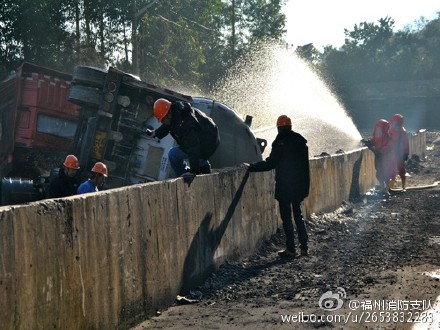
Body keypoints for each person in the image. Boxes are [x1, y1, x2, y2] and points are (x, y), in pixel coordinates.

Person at [245, 115, 310, 258]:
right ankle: (304, 247)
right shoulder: (300, 141)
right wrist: (305, 188)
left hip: (285, 186)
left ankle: (291, 249)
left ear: (279, 127)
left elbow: (271, 163)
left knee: (286, 217)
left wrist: (252, 167)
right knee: (298, 215)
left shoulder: (280, 142)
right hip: (299, 185)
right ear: (290, 126)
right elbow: (306, 167)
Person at [146, 98, 220, 182]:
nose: (162, 122)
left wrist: (193, 171)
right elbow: (168, 126)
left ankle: (186, 178)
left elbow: (193, 147)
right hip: (206, 138)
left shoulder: (185, 124)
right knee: (183, 151)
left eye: (162, 120)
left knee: (173, 154)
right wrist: (156, 133)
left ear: (168, 115)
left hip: (208, 143)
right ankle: (203, 165)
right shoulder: (176, 112)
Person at [362, 119, 395, 193]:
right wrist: (368, 142)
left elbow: (389, 145)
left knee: (386, 172)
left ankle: (386, 188)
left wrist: (381, 152)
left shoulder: (389, 136)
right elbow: (373, 140)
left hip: (386, 157)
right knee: (379, 172)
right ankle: (382, 188)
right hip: (379, 156)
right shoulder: (377, 134)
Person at [388, 114, 409, 190]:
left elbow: (406, 143)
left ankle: (403, 186)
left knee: (401, 170)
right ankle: (391, 185)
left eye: (398, 122)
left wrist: (406, 153)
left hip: (400, 154)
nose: (396, 124)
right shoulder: (389, 130)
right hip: (391, 154)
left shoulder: (403, 132)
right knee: (391, 170)